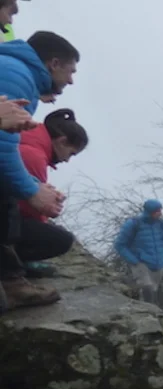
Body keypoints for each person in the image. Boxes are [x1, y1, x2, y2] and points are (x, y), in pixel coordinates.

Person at [0, 31, 80, 311]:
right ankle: (12, 282)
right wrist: (33, 191)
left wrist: (33, 185)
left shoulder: (16, 71)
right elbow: (3, 148)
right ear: (54, 63)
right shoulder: (17, 75)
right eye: (71, 71)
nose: (71, 80)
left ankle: (11, 280)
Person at [15, 109, 87, 275]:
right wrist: (49, 208)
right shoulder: (34, 156)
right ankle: (13, 262)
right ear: (62, 141)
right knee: (62, 240)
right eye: (71, 153)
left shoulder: (25, 137)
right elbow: (31, 207)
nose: (67, 160)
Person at [114, 199, 163, 304]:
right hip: (141, 263)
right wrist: (134, 261)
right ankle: (145, 312)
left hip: (159, 264)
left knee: (153, 291)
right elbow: (119, 245)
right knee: (146, 290)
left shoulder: (162, 224)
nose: (160, 213)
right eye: (157, 211)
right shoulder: (133, 224)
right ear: (150, 211)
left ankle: (150, 312)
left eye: (160, 210)